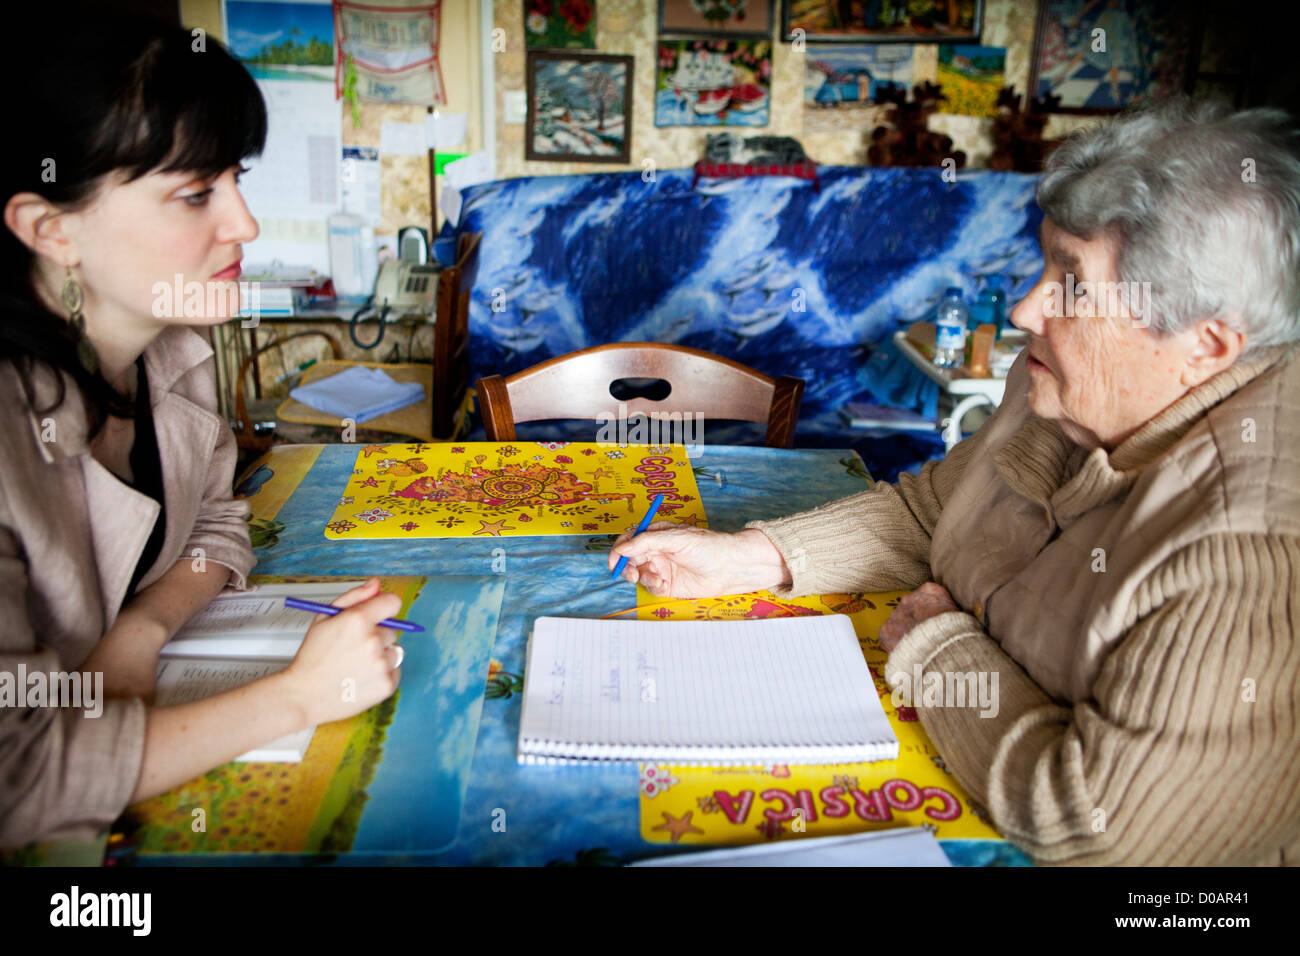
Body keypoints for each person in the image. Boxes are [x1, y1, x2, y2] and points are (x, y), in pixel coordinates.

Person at [610, 99, 1300, 865]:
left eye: (1071, 282)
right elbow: (933, 509)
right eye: (1045, 264)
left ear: (1207, 345)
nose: (1025, 307)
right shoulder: (1072, 388)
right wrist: (747, 557)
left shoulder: (1249, 553)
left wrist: (940, 649)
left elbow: (1094, 823)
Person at [0, 13, 401, 848]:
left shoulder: (172, 338)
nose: (245, 226)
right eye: (195, 194)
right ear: (49, 228)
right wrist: (297, 696)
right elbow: (18, 774)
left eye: (235, 178)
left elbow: (217, 516)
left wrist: (140, 631)